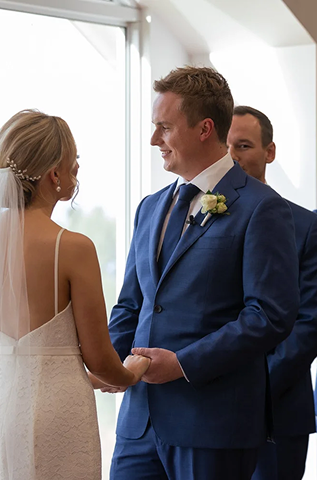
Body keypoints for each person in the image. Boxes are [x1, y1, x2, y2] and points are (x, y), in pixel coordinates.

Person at [0, 109, 150, 480]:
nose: (76, 173)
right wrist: (132, 372)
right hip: (57, 415)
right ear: (54, 175)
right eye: (74, 164)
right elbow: (100, 360)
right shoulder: (71, 247)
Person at [107, 67, 300, 480]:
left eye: (164, 127)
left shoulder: (262, 208)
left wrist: (183, 364)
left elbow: (269, 315)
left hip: (213, 425)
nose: (154, 140)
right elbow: (131, 303)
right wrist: (106, 361)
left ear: (204, 129)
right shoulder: (149, 207)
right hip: (137, 426)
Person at [227, 105, 317, 480]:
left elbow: (310, 324)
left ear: (270, 152)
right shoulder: (199, 220)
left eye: (244, 146)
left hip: (278, 411)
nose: (233, 157)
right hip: (206, 414)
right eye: (227, 146)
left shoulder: (307, 225)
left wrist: (253, 386)